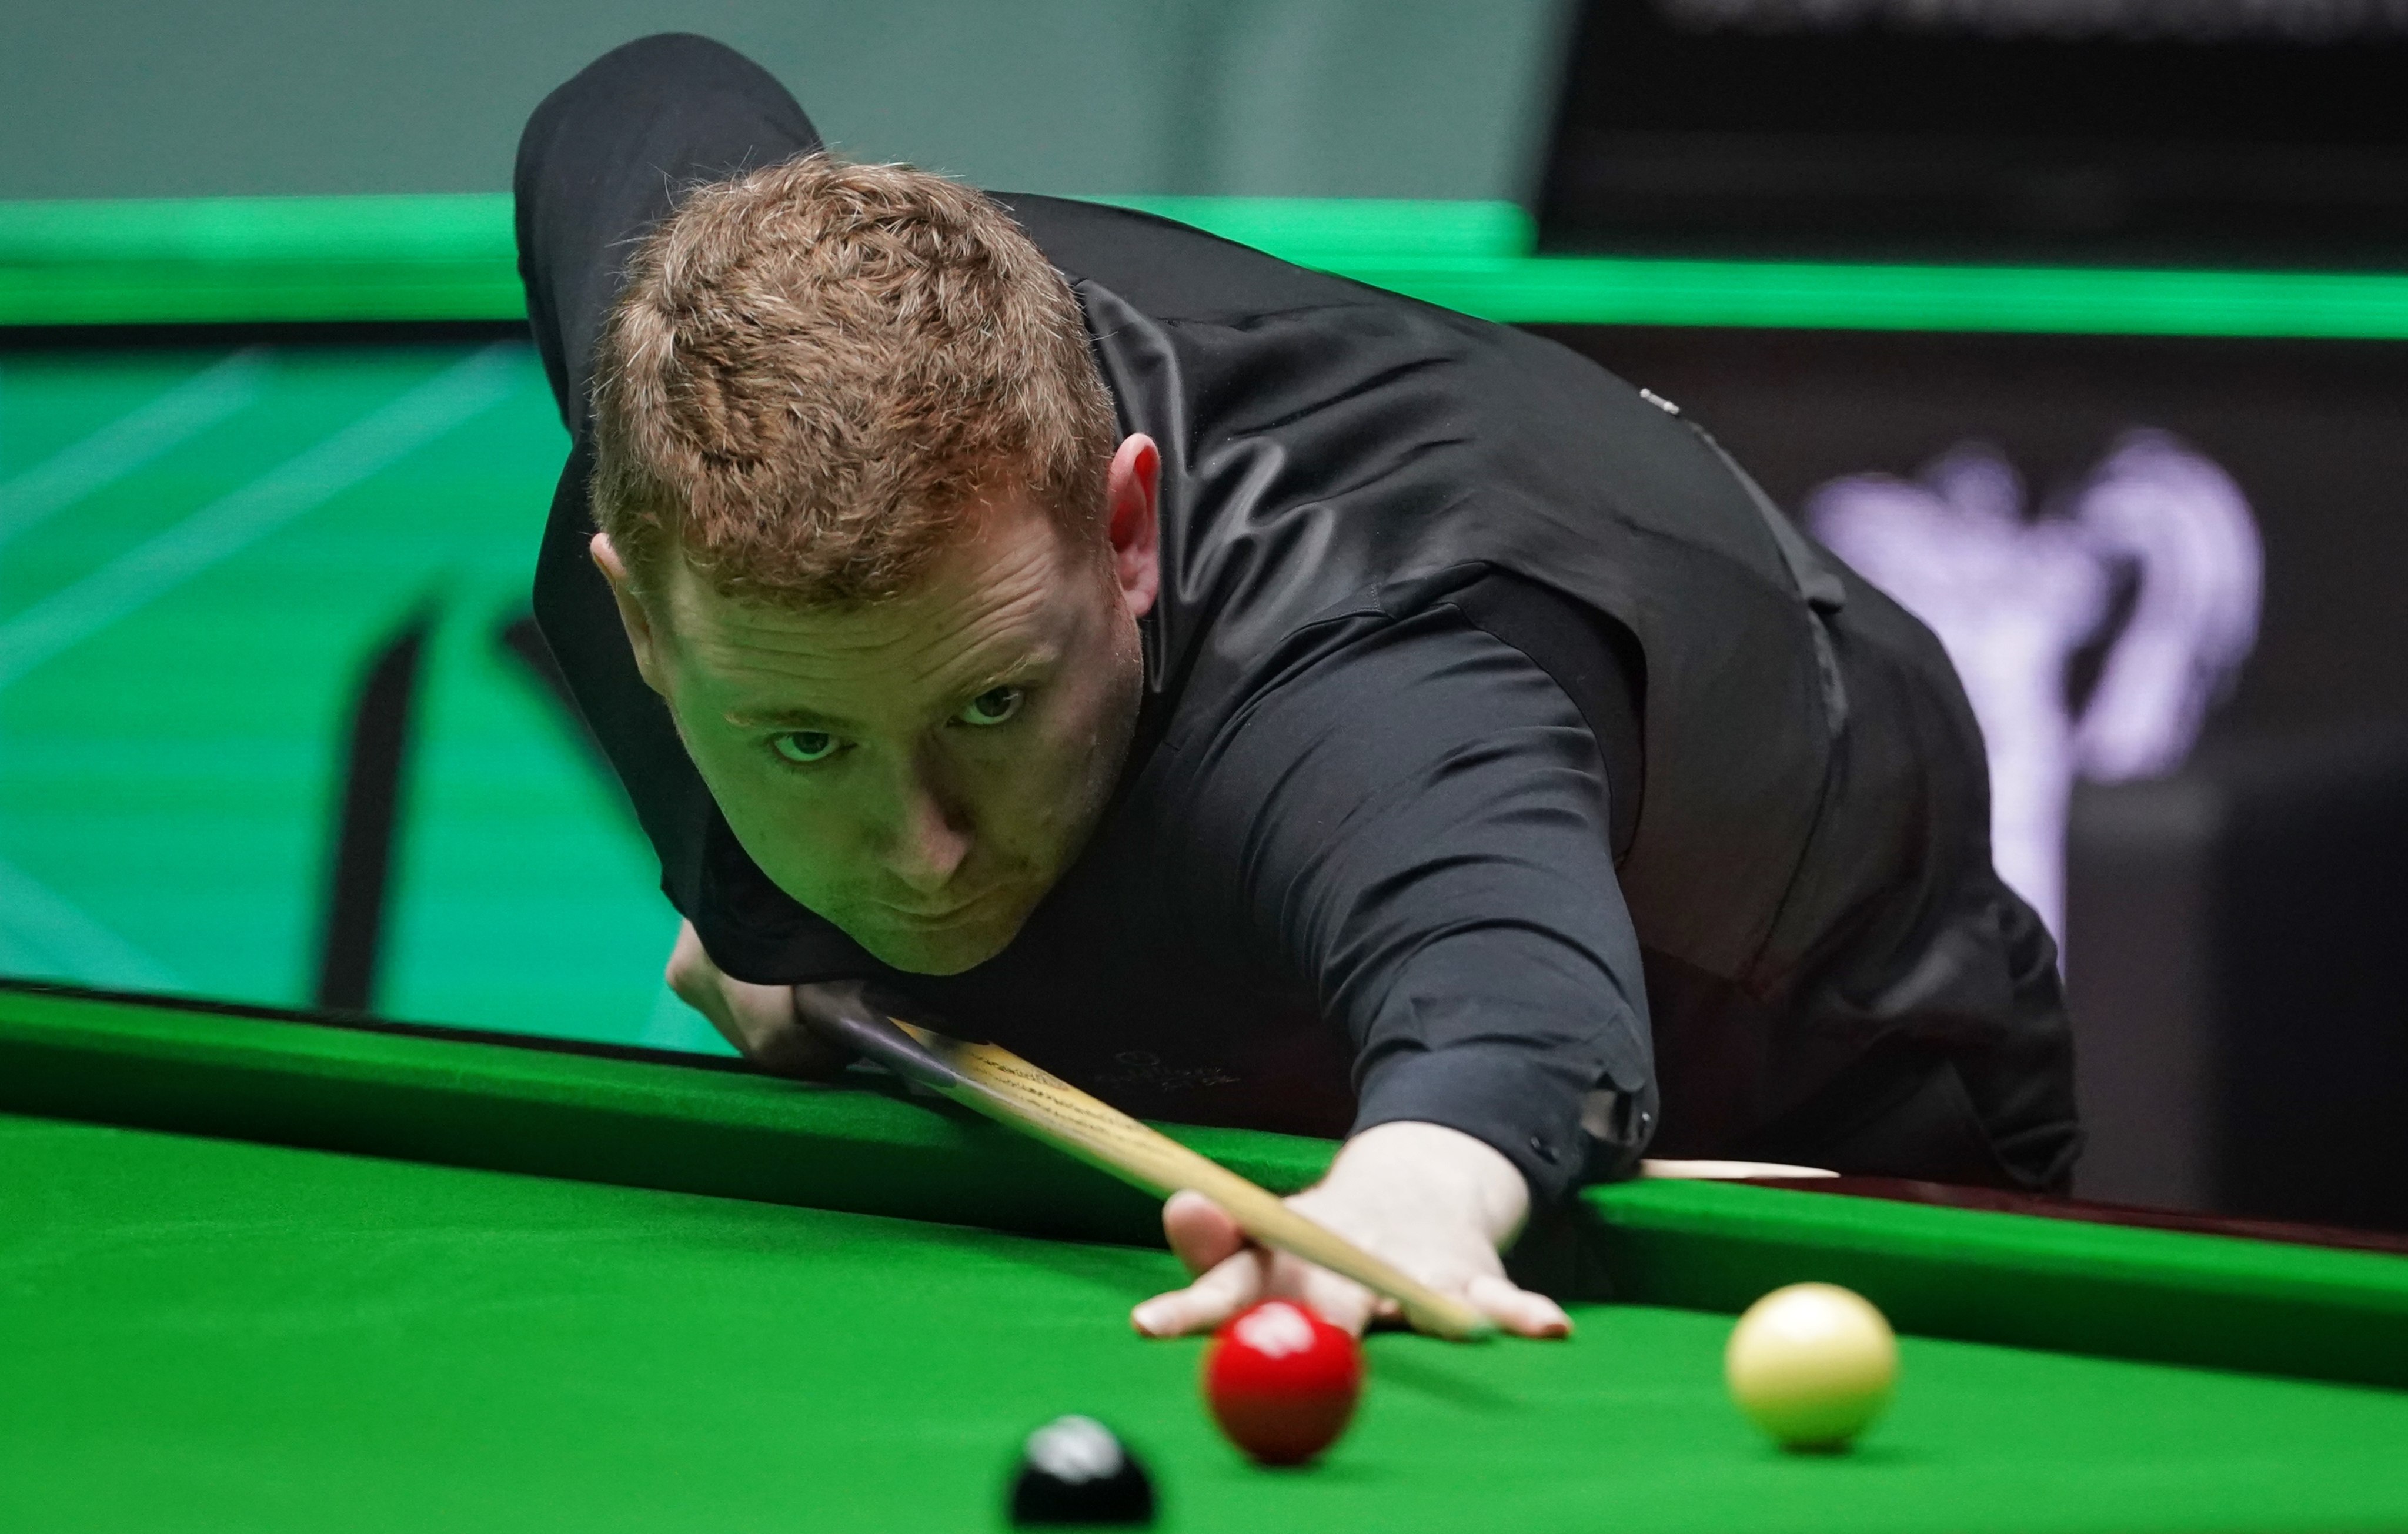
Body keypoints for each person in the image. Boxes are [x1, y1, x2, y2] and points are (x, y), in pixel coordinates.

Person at [513, 34, 2080, 1342]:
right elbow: (638, 94)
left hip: (1802, 1034)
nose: (917, 845)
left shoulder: (1361, 653)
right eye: (803, 738)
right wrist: (770, 903)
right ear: (640, 617)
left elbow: (1503, 986)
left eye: (989, 704)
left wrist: (1415, 1180)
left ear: (1127, 533)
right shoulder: (672, 400)